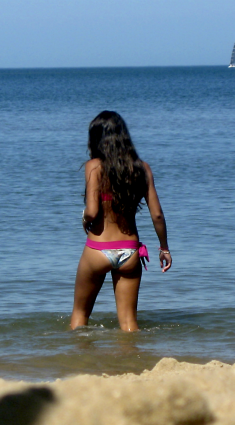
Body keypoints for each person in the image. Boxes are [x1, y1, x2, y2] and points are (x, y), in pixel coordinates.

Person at [70, 111, 171, 332]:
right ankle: (132, 363)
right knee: (129, 324)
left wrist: (84, 218)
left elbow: (93, 211)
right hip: (130, 252)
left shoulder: (94, 166)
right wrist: (164, 248)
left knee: (79, 316)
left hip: (97, 249)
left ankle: (79, 363)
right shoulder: (142, 168)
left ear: (96, 139)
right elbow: (157, 215)